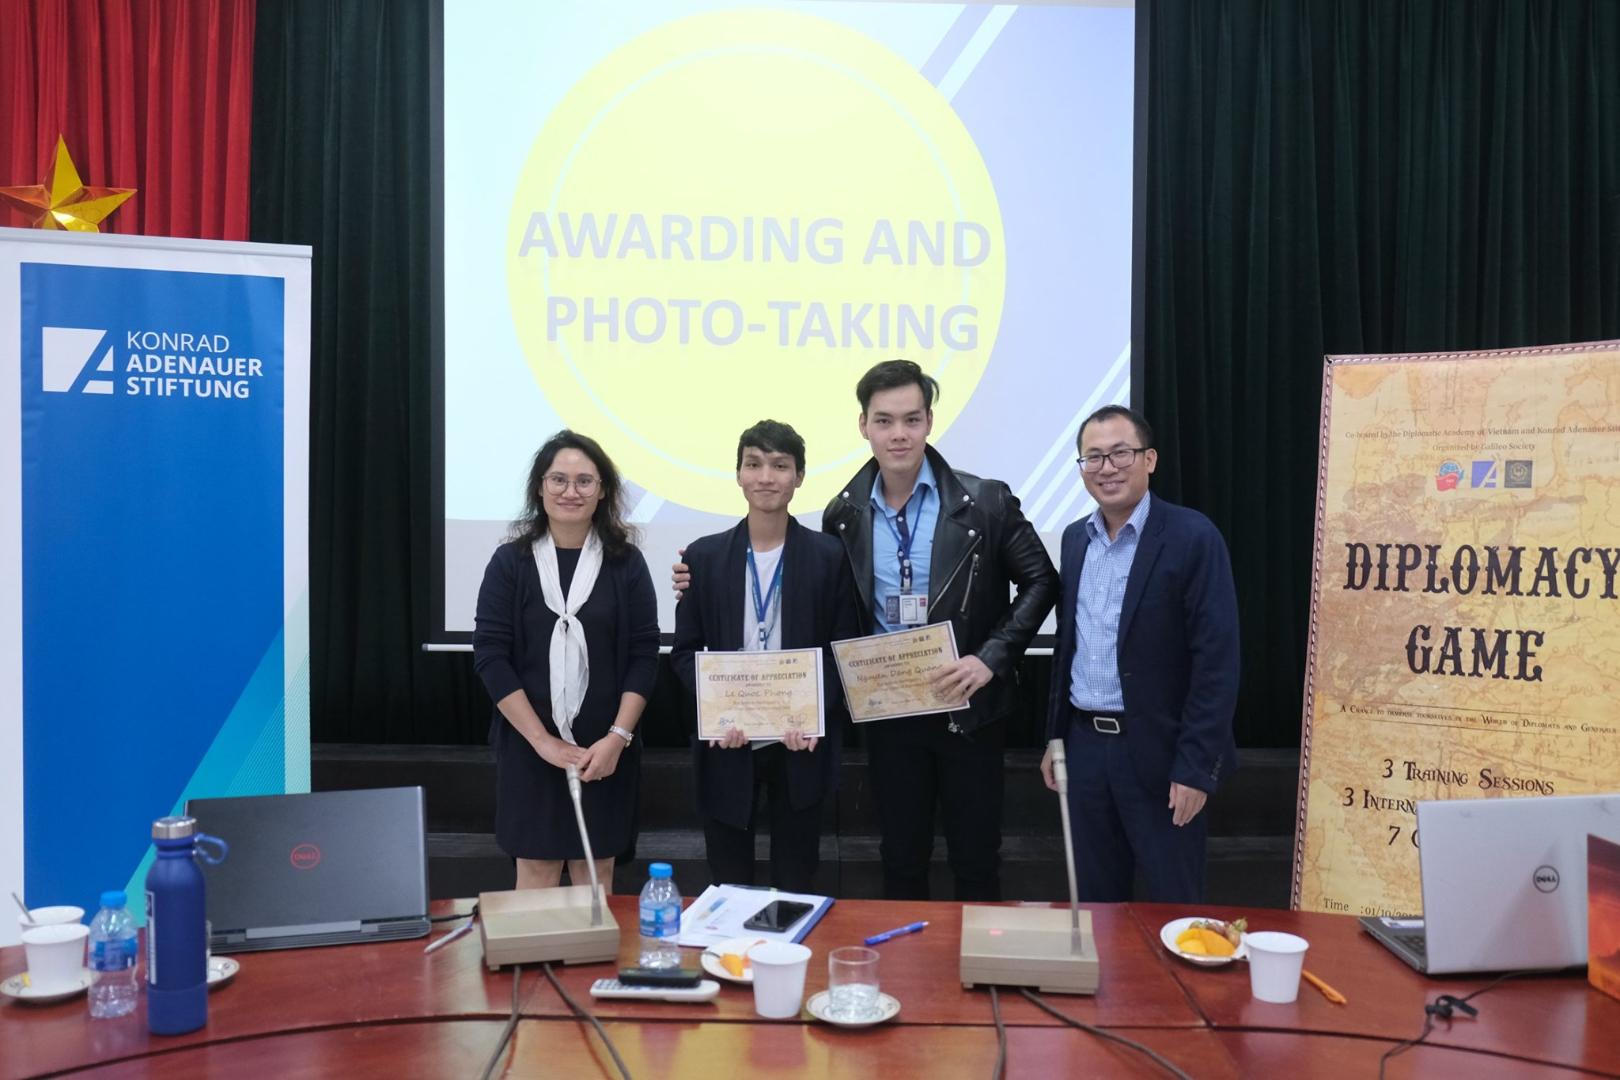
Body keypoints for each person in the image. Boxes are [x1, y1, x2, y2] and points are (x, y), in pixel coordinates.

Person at [823, 360, 1057, 901]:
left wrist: (990, 657)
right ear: (863, 426)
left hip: (967, 710)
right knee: (901, 859)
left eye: (911, 419)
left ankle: (976, 960)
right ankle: (912, 959)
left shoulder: (986, 502)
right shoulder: (843, 514)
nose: (898, 434)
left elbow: (1042, 581)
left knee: (976, 861)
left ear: (929, 421)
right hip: (889, 714)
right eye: (884, 421)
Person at [1040, 405, 1239, 904]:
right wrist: (1056, 739)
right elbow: (1070, 646)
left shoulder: (1192, 536)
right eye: (1093, 457)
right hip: (1085, 750)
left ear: (1149, 459)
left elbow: (1216, 662)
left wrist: (1195, 767)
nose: (1106, 468)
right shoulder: (1075, 540)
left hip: (1160, 753)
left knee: (1174, 906)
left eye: (1120, 454)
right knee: (1095, 906)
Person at [670, 420, 861, 893]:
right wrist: (717, 710)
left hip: (800, 743)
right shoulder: (704, 557)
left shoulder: (829, 556)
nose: (766, 477)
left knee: (795, 882)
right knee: (728, 882)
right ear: (738, 474)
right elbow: (685, 652)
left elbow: (843, 651)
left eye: (780, 466)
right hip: (727, 743)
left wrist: (814, 715)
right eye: (753, 464)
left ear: (799, 476)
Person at [473, 431, 660, 891]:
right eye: (558, 479)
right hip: (530, 747)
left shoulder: (626, 564)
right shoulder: (510, 563)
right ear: (540, 488)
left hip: (605, 751)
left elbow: (643, 656)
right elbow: (491, 657)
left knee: (593, 876)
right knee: (536, 872)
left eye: (584, 481)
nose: (570, 491)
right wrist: (543, 742)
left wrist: (617, 738)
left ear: (603, 491)